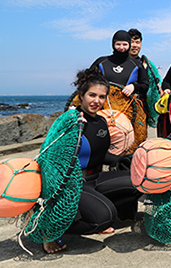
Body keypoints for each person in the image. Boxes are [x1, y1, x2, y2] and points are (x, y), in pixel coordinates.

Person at [43, 67, 142, 254]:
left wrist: (123, 159)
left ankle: (95, 209)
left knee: (140, 182)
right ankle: (50, 230)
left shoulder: (101, 121)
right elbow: (49, 159)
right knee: (104, 218)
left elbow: (99, 154)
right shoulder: (70, 122)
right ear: (81, 95)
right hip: (73, 184)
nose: (97, 101)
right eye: (92, 95)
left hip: (95, 177)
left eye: (102, 97)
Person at [91, 30, 148, 98]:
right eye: (118, 44)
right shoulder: (101, 62)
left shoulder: (137, 64)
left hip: (127, 104)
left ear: (129, 45)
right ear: (113, 44)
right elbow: (87, 81)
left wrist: (134, 87)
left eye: (125, 44)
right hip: (102, 103)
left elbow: (145, 85)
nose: (121, 47)